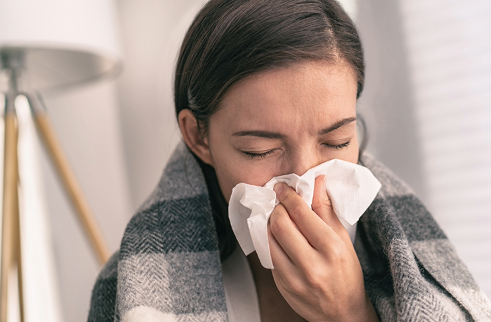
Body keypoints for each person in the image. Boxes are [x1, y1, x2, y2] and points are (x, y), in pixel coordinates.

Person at [88, 0, 491, 321]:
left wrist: (350, 314)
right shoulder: (128, 289)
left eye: (337, 141)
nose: (305, 180)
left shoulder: (417, 265)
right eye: (259, 150)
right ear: (198, 136)